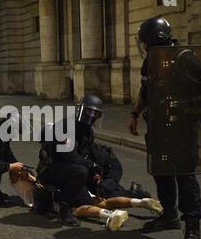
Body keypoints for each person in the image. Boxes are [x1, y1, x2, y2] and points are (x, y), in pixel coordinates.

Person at [128, 16, 201, 239]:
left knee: (185, 178)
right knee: (161, 171)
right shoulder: (150, 62)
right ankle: (169, 215)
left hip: (182, 132)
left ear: (155, 40)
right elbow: (145, 90)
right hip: (158, 130)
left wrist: (185, 111)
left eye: (144, 42)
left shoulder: (186, 60)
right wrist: (134, 113)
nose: (142, 46)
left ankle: (192, 228)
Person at [37, 95, 160, 228]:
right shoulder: (66, 126)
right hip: (52, 171)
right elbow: (70, 157)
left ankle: (135, 196)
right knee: (82, 175)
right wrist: (92, 166)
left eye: (96, 113)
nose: (92, 115)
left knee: (98, 191)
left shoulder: (87, 130)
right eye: (90, 111)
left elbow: (90, 154)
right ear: (81, 110)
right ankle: (65, 210)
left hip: (72, 172)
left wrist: (97, 172)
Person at [11, 168, 163, 231]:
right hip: (75, 187)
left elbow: (42, 189)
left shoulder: (33, 185)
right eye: (22, 171)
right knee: (104, 201)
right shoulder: (23, 185)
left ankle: (110, 215)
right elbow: (13, 172)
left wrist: (32, 178)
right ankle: (141, 202)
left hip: (59, 199)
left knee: (77, 210)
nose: (24, 171)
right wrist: (29, 177)